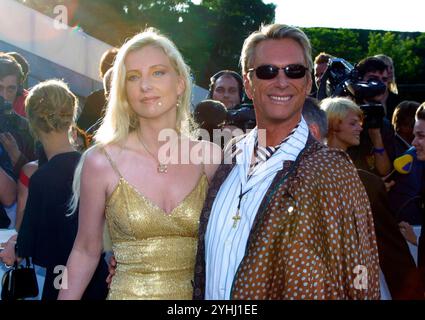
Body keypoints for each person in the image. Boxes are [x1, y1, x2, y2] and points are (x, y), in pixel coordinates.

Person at [193, 24, 380, 300]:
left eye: (294, 71)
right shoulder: (231, 155)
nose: (282, 81)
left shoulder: (331, 169)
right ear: (248, 83)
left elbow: (360, 270)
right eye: (267, 71)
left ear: (307, 83)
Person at [58, 28, 220, 300]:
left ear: (180, 84)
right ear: (124, 90)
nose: (145, 85)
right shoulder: (101, 161)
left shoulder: (211, 158)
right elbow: (85, 251)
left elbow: (229, 247)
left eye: (158, 72)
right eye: (133, 77)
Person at [0, 79, 109, 300]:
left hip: (63, 283)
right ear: (71, 118)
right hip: (99, 282)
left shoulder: (43, 178)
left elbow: (27, 245)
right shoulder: (96, 165)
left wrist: (13, 246)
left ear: (32, 121)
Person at [321, 97, 424, 299]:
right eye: (352, 123)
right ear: (333, 125)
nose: (360, 128)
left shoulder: (363, 180)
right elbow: (391, 247)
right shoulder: (361, 181)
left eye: (360, 122)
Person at [347, 56, 395, 177]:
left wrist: (376, 136)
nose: (379, 84)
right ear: (359, 80)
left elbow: (385, 171)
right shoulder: (341, 115)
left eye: (384, 79)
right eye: (373, 79)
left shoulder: (383, 123)